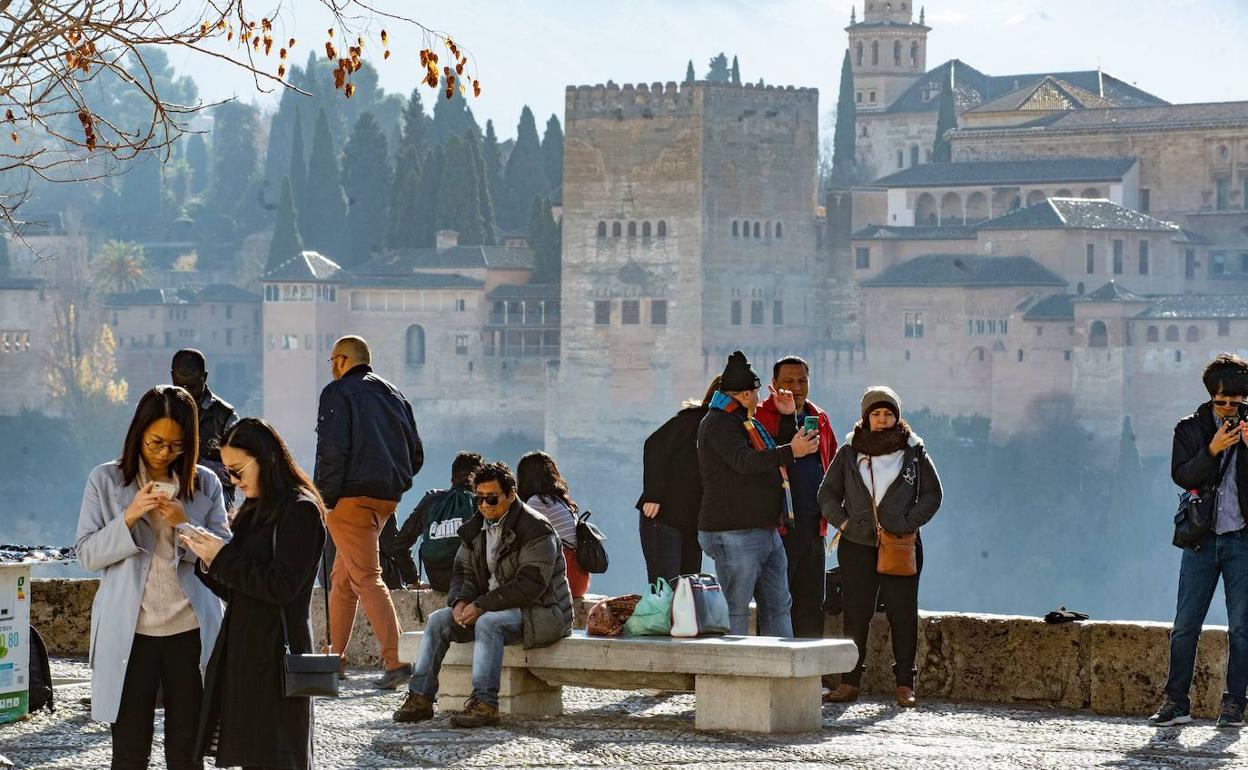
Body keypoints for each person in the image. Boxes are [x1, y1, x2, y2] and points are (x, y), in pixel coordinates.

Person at [74, 385, 230, 770]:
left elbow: (226, 560)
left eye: (175, 445)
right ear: (138, 434)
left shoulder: (205, 483)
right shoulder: (106, 480)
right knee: (128, 752)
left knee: (187, 753)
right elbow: (87, 555)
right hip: (131, 631)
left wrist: (186, 524)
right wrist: (129, 517)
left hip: (190, 630)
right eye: (155, 442)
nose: (163, 453)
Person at [179, 418, 326, 770]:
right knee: (252, 756)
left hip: (279, 656)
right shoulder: (253, 509)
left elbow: (280, 586)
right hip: (246, 654)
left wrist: (222, 557)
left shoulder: (300, 509)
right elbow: (239, 587)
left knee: (279, 755)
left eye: (237, 469)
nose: (233, 480)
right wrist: (206, 559)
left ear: (266, 458)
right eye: (228, 471)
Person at [392, 462, 573, 727]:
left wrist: (480, 606)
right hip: (490, 607)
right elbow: (462, 572)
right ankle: (420, 697)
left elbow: (530, 584)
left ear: (511, 495)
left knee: (489, 623)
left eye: (492, 498)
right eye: (479, 498)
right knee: (439, 620)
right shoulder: (475, 527)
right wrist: (460, 601)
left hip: (543, 612)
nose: (485, 505)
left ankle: (485, 704)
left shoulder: (536, 528)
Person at [819, 386, 942, 708]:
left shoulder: (914, 451)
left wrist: (907, 523)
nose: (883, 420)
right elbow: (827, 494)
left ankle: (905, 684)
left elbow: (933, 494)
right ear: (866, 417)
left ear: (897, 417)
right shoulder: (849, 452)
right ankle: (849, 682)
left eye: (888, 414)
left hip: (901, 545)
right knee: (856, 615)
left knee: (903, 615)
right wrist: (844, 523)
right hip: (857, 544)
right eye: (876, 414)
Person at [315, 335, 424, 689]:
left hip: (349, 498)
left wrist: (322, 500)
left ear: (344, 360)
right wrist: (394, 481)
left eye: (332, 360)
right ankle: (335, 657)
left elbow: (332, 450)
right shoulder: (394, 394)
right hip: (387, 497)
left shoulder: (338, 393)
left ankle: (395, 661)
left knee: (365, 578)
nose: (331, 367)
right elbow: (416, 453)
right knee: (342, 578)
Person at [1151, 353, 1248, 728]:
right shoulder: (1189, 428)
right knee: (1186, 624)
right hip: (1201, 539)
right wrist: (1213, 449)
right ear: (1211, 396)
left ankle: (1235, 703)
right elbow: (1182, 475)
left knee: (1241, 627)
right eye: (1220, 401)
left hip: (1241, 539)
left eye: (1235, 402)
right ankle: (1176, 702)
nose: (1227, 409)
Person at [696, 350, 819, 637]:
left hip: (765, 529)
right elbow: (745, 461)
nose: (757, 397)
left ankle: (779, 669)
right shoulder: (718, 423)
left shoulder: (744, 421)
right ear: (744, 394)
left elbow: (770, 451)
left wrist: (788, 418)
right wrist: (792, 451)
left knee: (778, 604)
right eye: (754, 391)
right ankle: (734, 674)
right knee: (736, 606)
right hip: (733, 530)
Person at [755, 356, 839, 639]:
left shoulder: (820, 418)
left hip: (814, 525)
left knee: (812, 601)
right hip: (778, 525)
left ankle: (808, 674)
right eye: (788, 381)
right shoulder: (761, 417)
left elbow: (833, 465)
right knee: (777, 601)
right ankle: (774, 668)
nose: (796, 387)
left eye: (802, 380)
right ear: (774, 384)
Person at [635, 376, 718, 585]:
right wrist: (653, 494)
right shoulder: (694, 418)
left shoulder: (730, 429)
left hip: (693, 522)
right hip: (663, 517)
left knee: (688, 591)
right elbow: (655, 444)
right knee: (664, 589)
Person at [388, 451, 484, 591]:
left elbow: (399, 546)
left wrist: (413, 581)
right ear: (479, 481)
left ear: (452, 480)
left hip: (439, 582)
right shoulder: (484, 503)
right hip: (473, 584)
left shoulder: (431, 500)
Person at [171, 349, 240, 507]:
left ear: (205, 377)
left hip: (214, 502)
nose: (187, 392)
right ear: (172, 377)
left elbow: (236, 474)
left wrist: (195, 462)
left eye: (193, 386)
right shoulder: (162, 410)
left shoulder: (225, 416)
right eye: (181, 386)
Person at [517, 451, 588, 597]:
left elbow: (520, 540)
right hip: (579, 578)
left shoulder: (538, 502)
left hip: (565, 579)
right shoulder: (560, 500)